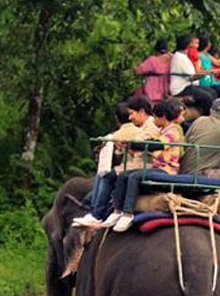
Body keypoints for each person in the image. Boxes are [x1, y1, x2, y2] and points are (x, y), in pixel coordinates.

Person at [75, 97, 159, 227]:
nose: (130, 118)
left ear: (142, 112)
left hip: (146, 164)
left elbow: (144, 146)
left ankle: (98, 214)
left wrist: (126, 144)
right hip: (138, 161)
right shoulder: (142, 126)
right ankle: (94, 211)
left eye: (132, 113)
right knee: (103, 173)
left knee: (109, 175)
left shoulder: (151, 126)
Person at [109, 98, 187, 232]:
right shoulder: (163, 130)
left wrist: (133, 144)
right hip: (157, 168)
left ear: (163, 117)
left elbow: (157, 145)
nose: (154, 120)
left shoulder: (172, 131)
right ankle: (117, 210)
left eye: (155, 117)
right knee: (123, 175)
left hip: (167, 170)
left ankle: (128, 213)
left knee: (135, 177)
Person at [169, 35, 215, 116]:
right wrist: (205, 73)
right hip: (181, 88)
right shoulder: (181, 58)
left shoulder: (181, 56)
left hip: (186, 85)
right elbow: (192, 76)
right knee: (208, 97)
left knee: (212, 92)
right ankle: (205, 117)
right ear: (188, 46)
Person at [136, 39, 171, 105]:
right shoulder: (171, 60)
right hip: (165, 89)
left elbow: (139, 71)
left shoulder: (152, 60)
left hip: (152, 89)